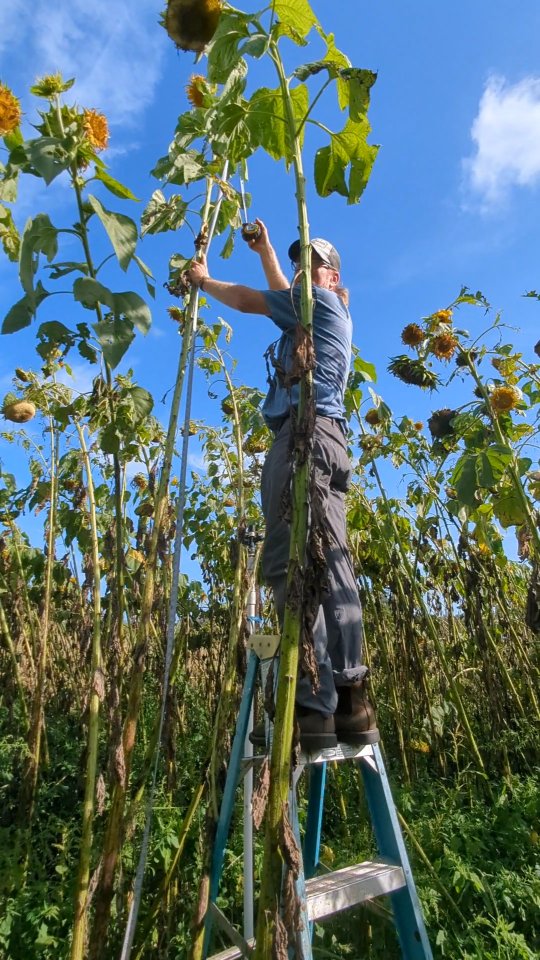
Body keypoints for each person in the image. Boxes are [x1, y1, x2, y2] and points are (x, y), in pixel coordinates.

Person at [188, 221, 378, 751]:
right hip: (325, 438)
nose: (300, 272)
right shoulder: (313, 315)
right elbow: (279, 295)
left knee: (288, 564)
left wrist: (203, 280)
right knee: (330, 561)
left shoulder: (318, 303)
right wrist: (267, 249)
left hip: (303, 437)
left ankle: (316, 702)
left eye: (309, 264)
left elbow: (254, 300)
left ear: (331, 274)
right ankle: (347, 699)